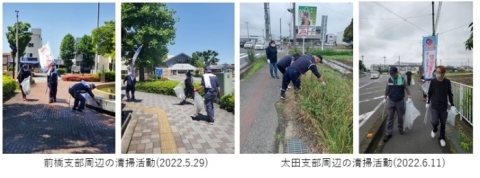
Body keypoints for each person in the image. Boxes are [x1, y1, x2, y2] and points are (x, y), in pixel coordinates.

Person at [426, 65, 455, 147]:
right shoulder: (433, 82)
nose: (437, 74)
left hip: (443, 106)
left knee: (443, 123)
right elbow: (430, 92)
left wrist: (452, 105)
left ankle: (442, 138)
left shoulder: (447, 82)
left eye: (439, 72)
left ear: (443, 73)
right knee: (435, 122)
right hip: (434, 105)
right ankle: (434, 129)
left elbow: (449, 94)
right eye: (436, 72)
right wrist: (427, 102)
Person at [382, 66, 411, 142]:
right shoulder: (389, 80)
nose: (392, 75)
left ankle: (400, 129)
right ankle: (388, 133)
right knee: (390, 117)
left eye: (393, 73)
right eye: (390, 74)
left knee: (400, 116)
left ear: (397, 72)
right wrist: (385, 97)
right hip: (391, 100)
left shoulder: (402, 79)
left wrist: (409, 96)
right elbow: (387, 89)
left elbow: (406, 88)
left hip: (399, 101)